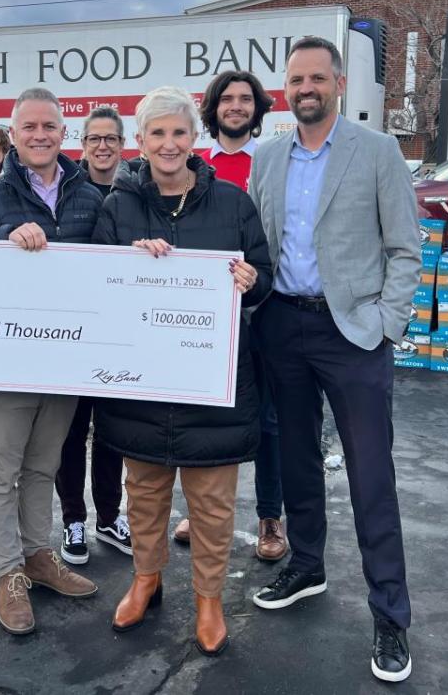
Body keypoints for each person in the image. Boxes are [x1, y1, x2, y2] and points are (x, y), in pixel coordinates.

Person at [247, 36, 420, 683]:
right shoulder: (267, 157)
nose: (306, 88)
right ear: (285, 88)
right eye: (296, 79)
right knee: (295, 459)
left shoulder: (376, 152)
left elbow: (405, 248)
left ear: (338, 85)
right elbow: (260, 245)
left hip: (354, 335)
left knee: (372, 476)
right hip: (283, 327)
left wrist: (385, 324)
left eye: (317, 77)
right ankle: (306, 565)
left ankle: (390, 616)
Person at [93, 86, 270, 657]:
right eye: (156, 134)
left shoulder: (233, 204)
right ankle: (146, 578)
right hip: (139, 383)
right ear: (139, 143)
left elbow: (264, 273)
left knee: (212, 503)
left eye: (178, 132)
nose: (168, 144)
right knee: (143, 494)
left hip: (208, 386)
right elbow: (96, 288)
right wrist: (127, 263)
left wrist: (250, 283)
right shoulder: (118, 209)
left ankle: (209, 599)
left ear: (194, 139)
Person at [0, 87, 103, 636]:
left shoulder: (88, 192)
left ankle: (39, 556)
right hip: (7, 358)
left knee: (44, 465)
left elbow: (109, 257)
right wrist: (3, 236)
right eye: (29, 127)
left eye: (50, 126)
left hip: (64, 358)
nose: (40, 135)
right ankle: (9, 574)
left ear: (64, 135)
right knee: (0, 472)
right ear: (12, 136)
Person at [175, 71, 286, 563]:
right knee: (201, 413)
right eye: (227, 99)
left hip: (263, 308)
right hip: (203, 314)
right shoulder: (196, 166)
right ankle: (200, 511)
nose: (236, 107)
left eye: (245, 100)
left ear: (257, 109)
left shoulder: (273, 162)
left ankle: (269, 517)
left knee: (268, 421)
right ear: (213, 108)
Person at [56, 106, 130, 566]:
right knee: (71, 429)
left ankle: (108, 514)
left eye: (111, 138)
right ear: (82, 145)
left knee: (112, 431)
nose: (102, 146)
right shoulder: (69, 192)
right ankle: (73, 521)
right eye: (94, 138)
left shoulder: (136, 189)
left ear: (124, 144)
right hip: (76, 329)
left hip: (122, 330)